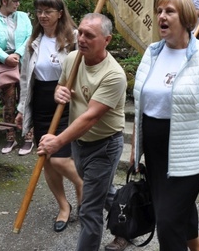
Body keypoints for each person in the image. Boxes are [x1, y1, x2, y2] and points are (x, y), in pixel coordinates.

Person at [131, 0, 199, 251]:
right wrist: (136, 150)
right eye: (159, 10)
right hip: (155, 154)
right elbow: (141, 105)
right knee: (178, 213)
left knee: (167, 223)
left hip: (188, 155)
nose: (162, 16)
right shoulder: (151, 53)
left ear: (185, 17)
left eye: (169, 11)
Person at [37, 13, 126, 251]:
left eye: (90, 35)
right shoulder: (73, 59)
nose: (82, 39)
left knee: (89, 208)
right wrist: (58, 93)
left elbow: (90, 117)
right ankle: (132, 218)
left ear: (106, 40)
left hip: (104, 144)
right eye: (81, 33)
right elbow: (62, 87)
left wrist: (57, 142)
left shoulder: (114, 75)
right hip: (81, 144)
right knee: (104, 192)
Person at [15, 0, 83, 232]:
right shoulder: (34, 41)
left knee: (61, 158)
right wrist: (23, 108)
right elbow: (25, 78)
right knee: (47, 161)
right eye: (39, 11)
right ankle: (64, 206)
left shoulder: (74, 38)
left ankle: (86, 188)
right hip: (42, 103)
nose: (43, 16)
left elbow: (85, 72)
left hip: (68, 104)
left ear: (60, 13)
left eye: (48, 11)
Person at [0, 0, 33, 155]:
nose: (18, 5)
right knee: (8, 102)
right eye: (15, 1)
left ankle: (28, 136)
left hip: (23, 60)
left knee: (26, 98)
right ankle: (10, 136)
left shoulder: (23, 16)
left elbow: (29, 35)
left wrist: (18, 54)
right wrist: (5, 57)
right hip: (3, 63)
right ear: (4, 1)